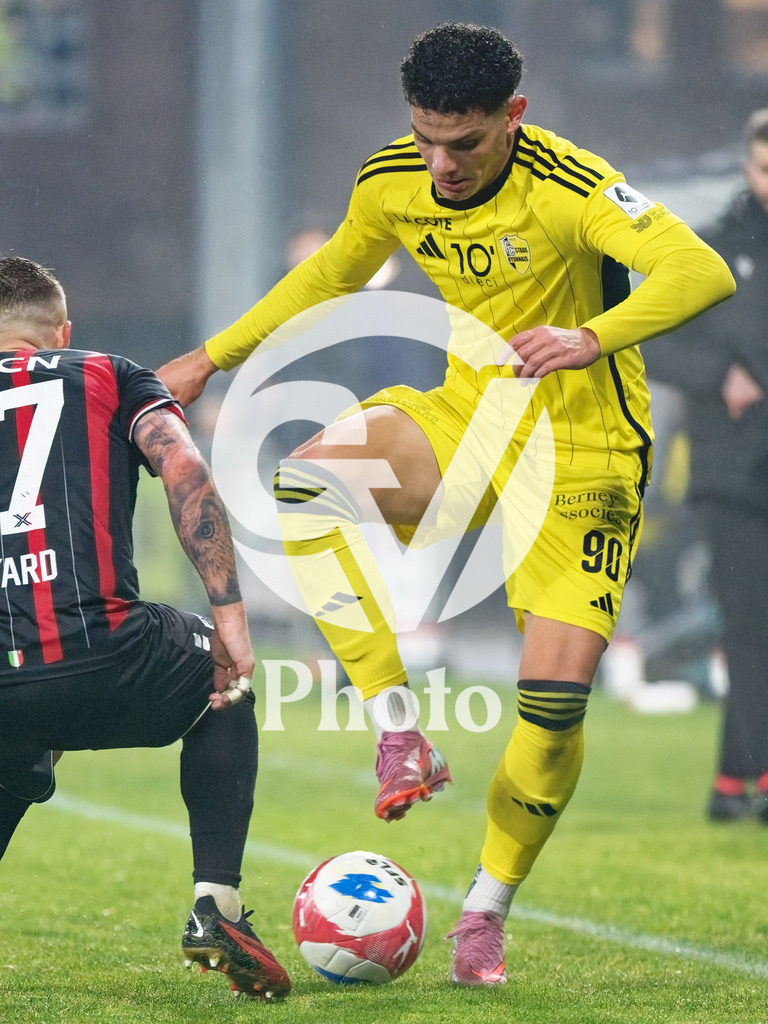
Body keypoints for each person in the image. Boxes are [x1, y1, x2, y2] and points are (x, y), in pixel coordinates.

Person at [158, 23, 735, 986]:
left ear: (514, 116)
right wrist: (212, 356)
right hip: (470, 415)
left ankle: (485, 910)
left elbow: (699, 271)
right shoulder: (393, 177)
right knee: (305, 486)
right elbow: (334, 273)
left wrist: (594, 335)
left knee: (551, 711)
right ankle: (399, 733)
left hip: (586, 450)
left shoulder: (573, 186)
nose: (441, 163)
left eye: (462, 143)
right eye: (425, 136)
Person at [0, 257, 290, 1001]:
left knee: (16, 736)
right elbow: (183, 466)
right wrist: (230, 619)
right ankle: (215, 906)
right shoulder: (107, 370)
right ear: (61, 332)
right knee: (220, 687)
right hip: (109, 653)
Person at [644, 109, 768, 824]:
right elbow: (654, 340)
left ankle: (732, 784)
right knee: (747, 623)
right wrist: (722, 373)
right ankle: (746, 780)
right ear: (745, 167)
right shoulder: (712, 251)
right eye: (761, 166)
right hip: (731, 468)